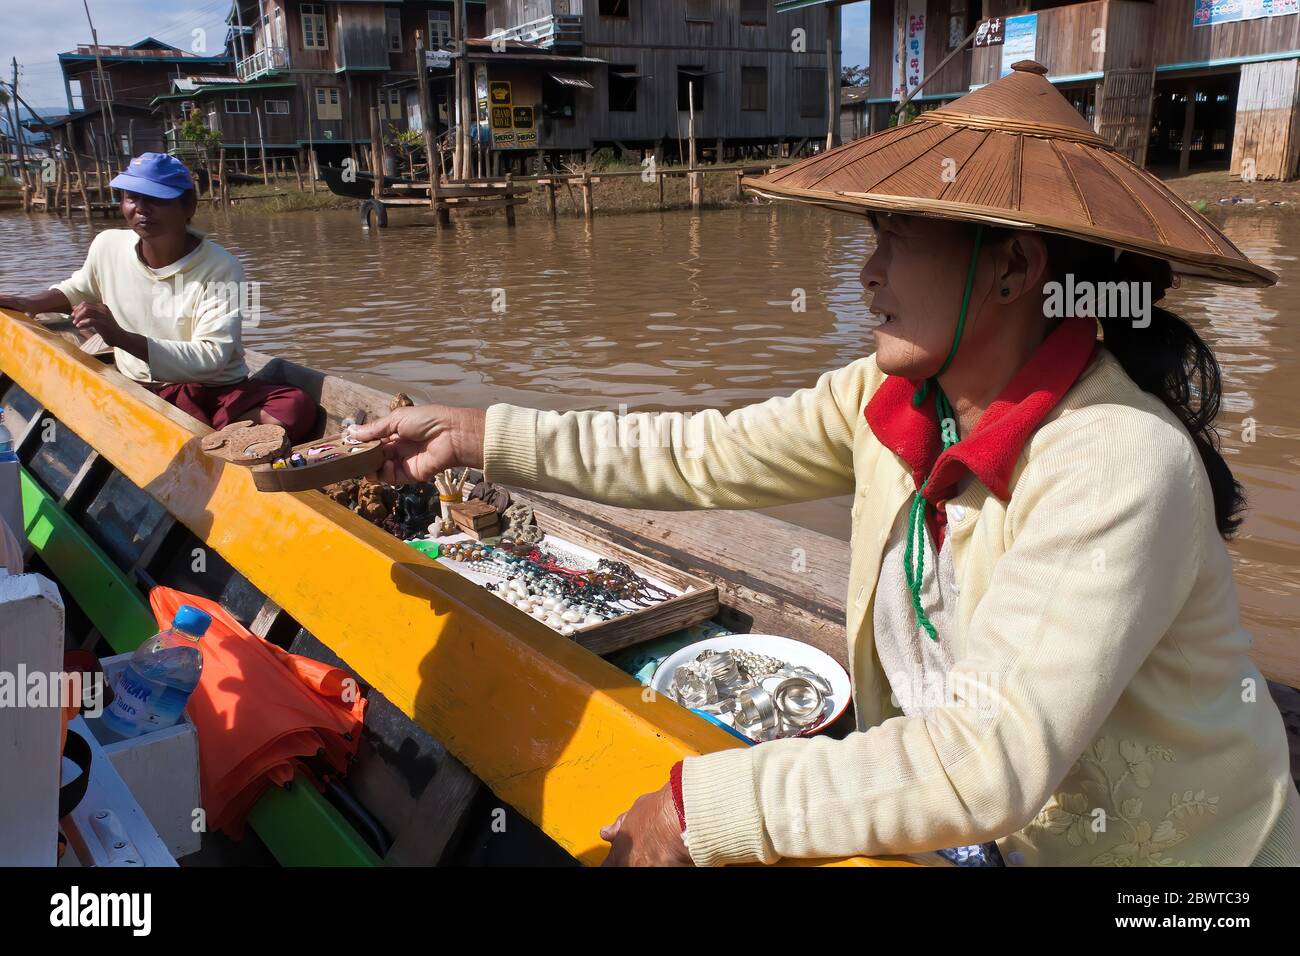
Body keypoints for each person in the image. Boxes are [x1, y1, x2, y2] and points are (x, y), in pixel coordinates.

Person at [355, 63, 1300, 867]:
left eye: (896, 238)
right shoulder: (887, 402)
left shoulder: (1116, 461)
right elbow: (697, 455)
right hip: (987, 834)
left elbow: (986, 760)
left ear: (1012, 270)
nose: (868, 272)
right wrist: (477, 437)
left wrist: (701, 808)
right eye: (871, 238)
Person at [0, 153, 316, 442]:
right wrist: (29, 303)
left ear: (188, 206)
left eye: (156, 198)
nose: (141, 208)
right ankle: (214, 435)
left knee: (295, 406)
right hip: (139, 386)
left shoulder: (221, 268)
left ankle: (206, 432)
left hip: (214, 388)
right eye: (131, 198)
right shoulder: (108, 245)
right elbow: (80, 287)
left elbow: (212, 359)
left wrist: (121, 338)